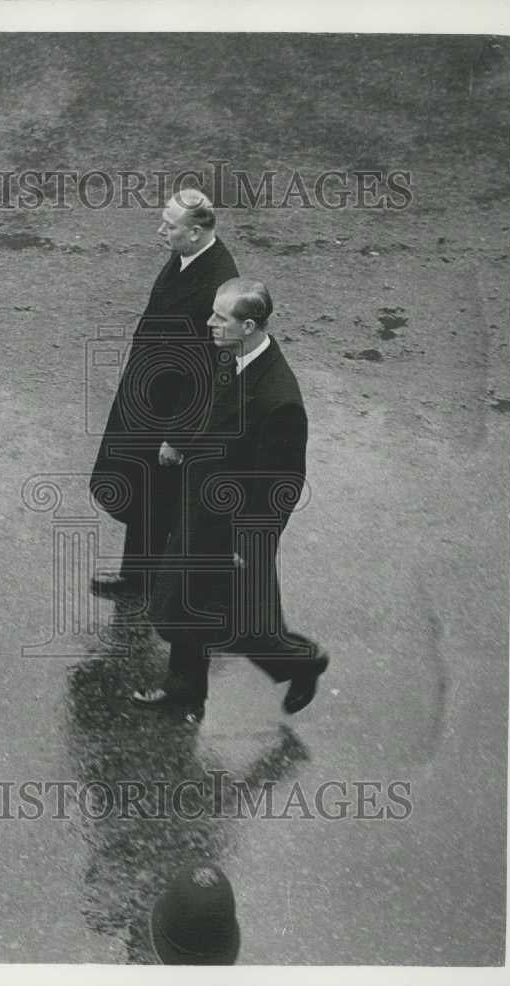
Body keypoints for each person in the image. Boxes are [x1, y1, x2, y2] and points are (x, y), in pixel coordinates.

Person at [131, 278, 329, 722]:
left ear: (249, 325)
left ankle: (301, 662)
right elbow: (211, 403)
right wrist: (179, 440)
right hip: (202, 506)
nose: (210, 323)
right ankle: (185, 688)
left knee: (235, 622)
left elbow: (281, 486)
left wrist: (246, 545)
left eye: (220, 317)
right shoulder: (236, 354)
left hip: (232, 528)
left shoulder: (279, 401)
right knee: (186, 602)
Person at [89, 189, 238, 598]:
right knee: (146, 493)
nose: (160, 231)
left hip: (169, 414)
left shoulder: (216, 284)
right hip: (150, 400)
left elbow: (210, 371)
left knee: (160, 498)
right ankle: (138, 579)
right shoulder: (190, 257)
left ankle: (173, 587)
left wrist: (178, 436)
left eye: (169, 226)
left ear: (195, 231)